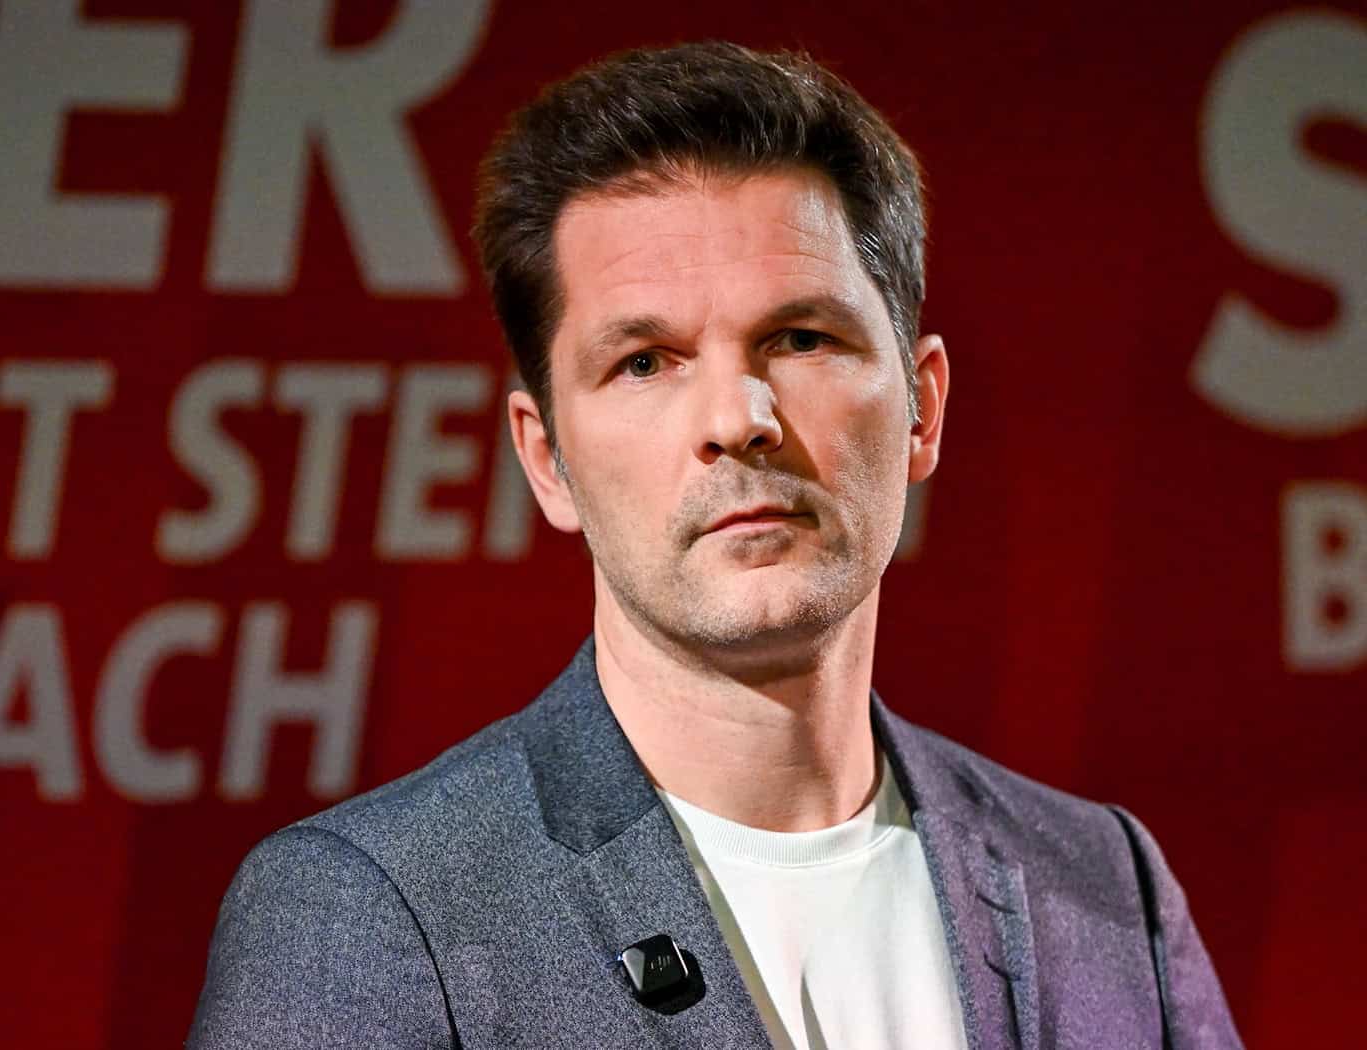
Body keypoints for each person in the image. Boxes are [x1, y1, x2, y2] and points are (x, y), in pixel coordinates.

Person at [189, 42, 1243, 1049]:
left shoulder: (1104, 885)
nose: (736, 416)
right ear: (545, 457)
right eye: (645, 362)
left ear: (920, 410)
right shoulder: (369, 910)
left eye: (798, 338)